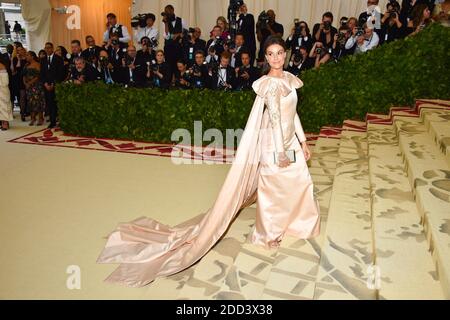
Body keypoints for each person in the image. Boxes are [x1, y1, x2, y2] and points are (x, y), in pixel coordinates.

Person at [97, 35, 320, 287]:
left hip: (289, 142)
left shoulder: (290, 79)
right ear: (266, 57)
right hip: (274, 144)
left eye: (280, 52)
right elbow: (276, 120)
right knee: (273, 189)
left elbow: (292, 115)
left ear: (285, 54)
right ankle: (268, 233)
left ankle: (297, 223)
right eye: (271, 53)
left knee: (300, 182)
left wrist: (302, 142)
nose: (277, 57)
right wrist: (280, 151)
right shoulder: (267, 85)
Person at [40, 42, 66, 129]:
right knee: (49, 104)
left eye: (49, 48)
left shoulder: (58, 59)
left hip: (56, 85)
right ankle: (52, 121)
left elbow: (60, 73)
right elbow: (42, 74)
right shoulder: (43, 60)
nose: (47, 49)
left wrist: (53, 84)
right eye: (46, 48)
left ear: (52, 48)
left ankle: (59, 121)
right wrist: (45, 84)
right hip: (46, 86)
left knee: (56, 104)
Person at [23, 51, 45, 126]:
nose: (26, 56)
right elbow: (23, 75)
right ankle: (33, 118)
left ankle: (40, 118)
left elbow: (39, 76)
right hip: (28, 86)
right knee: (30, 102)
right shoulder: (26, 65)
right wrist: (25, 83)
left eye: (27, 55)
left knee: (38, 101)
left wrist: (30, 82)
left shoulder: (37, 64)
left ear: (32, 56)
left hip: (37, 85)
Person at [0, 56, 13, 131]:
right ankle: (2, 122)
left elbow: (5, 82)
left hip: (3, 90)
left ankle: (5, 123)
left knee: (4, 106)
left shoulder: (2, 66)